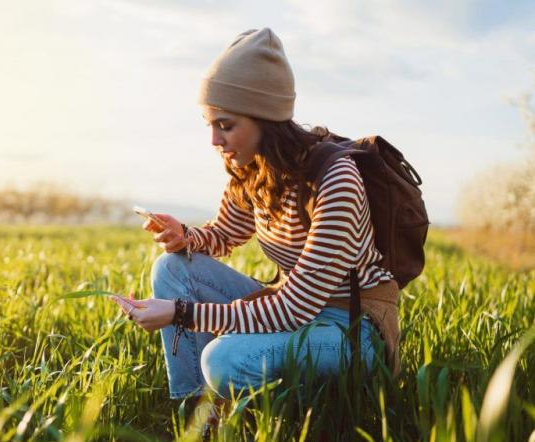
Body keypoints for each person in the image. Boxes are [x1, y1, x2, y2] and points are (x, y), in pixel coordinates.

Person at [111, 28, 399, 410]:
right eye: (209, 123)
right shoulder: (253, 169)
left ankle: (312, 413)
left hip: (351, 328)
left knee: (223, 359)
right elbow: (224, 234)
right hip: (297, 309)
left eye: (226, 125)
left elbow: (295, 308)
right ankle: (197, 415)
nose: (214, 140)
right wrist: (186, 236)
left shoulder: (336, 179)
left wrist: (181, 313)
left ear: (267, 120)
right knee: (172, 268)